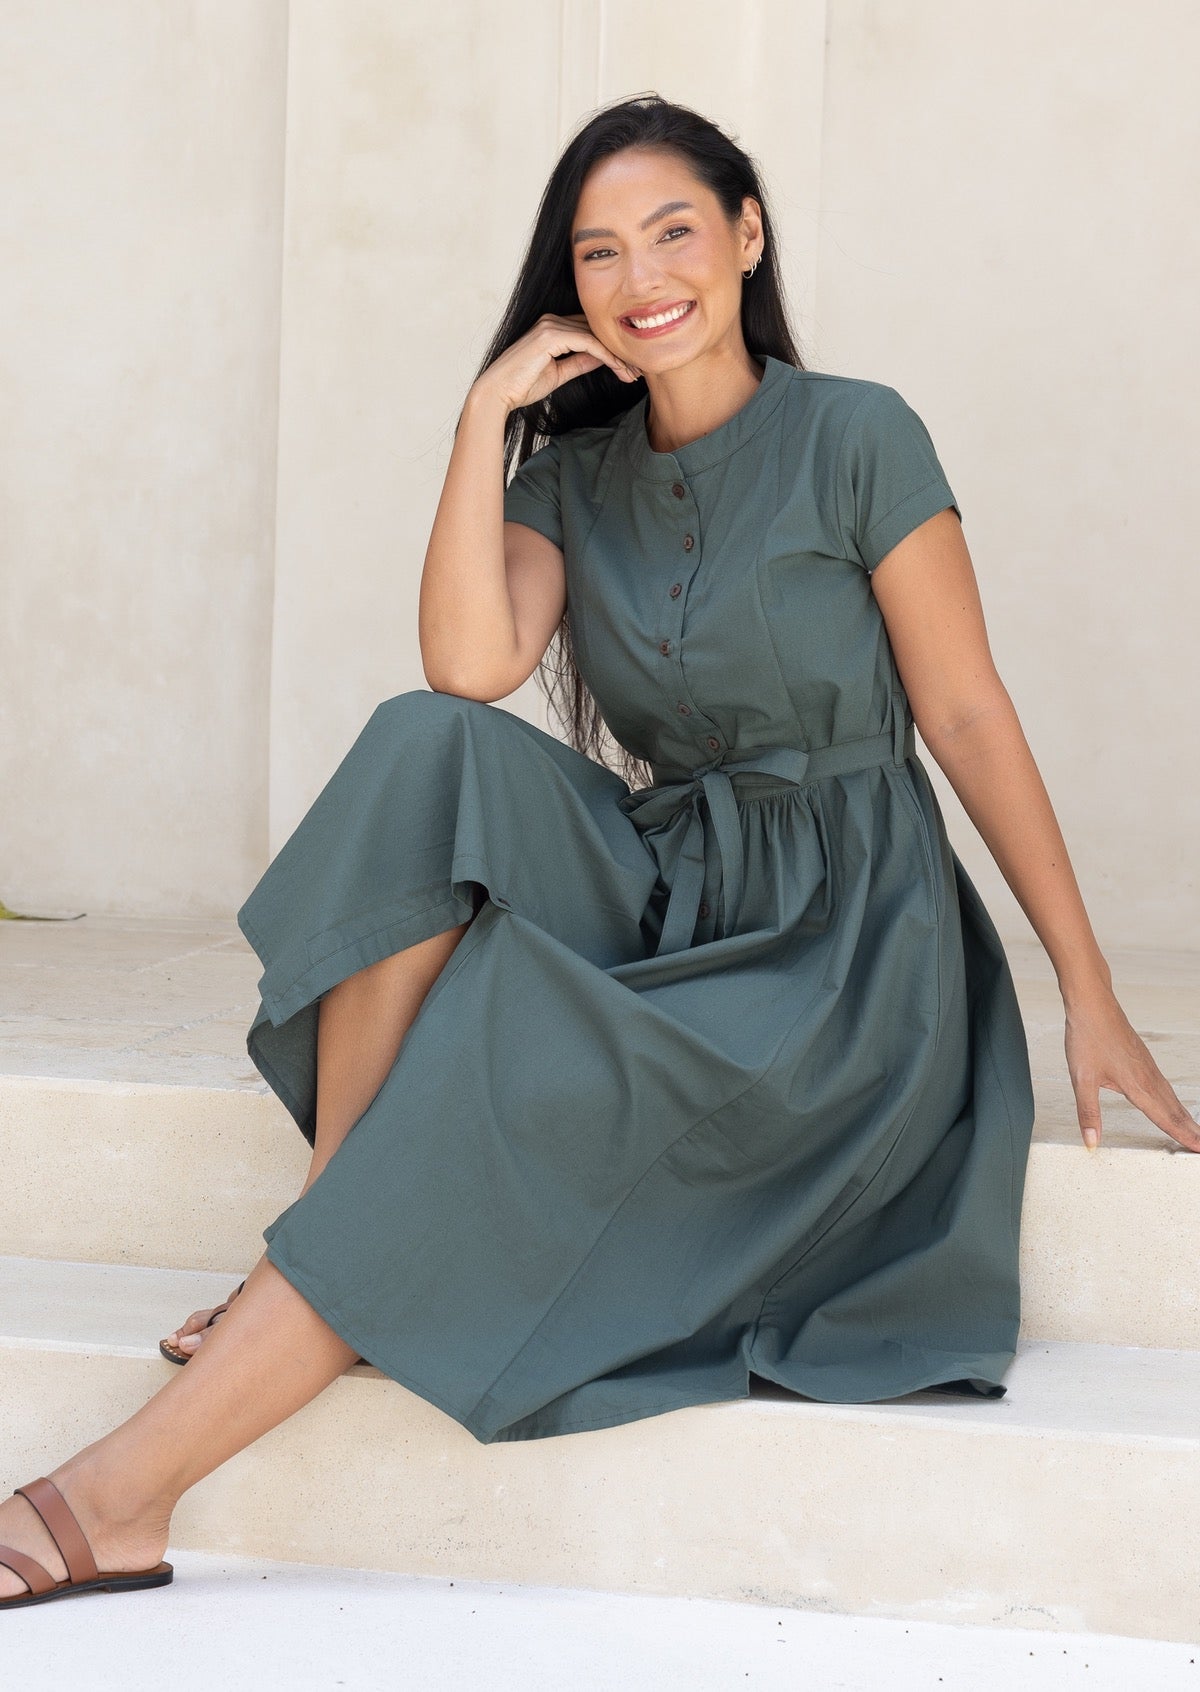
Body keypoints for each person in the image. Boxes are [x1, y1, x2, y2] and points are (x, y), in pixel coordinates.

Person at [4, 92, 1197, 1611]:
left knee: (506, 1043)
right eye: (602, 251)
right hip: (671, 872)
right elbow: (463, 666)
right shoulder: (570, 472)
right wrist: (479, 423)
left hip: (841, 946)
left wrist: (1084, 986)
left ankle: (119, 1495)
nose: (645, 276)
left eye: (677, 232)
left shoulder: (859, 434)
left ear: (748, 236)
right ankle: (330, 1237)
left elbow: (963, 714)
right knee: (422, 750)